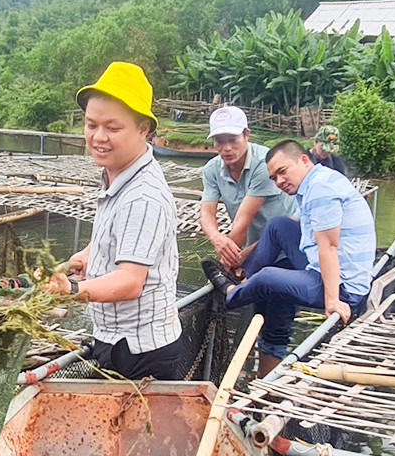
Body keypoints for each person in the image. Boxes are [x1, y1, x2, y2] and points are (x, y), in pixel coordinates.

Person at [44, 61, 185, 381]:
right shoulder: (116, 174)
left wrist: (71, 288)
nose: (98, 137)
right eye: (91, 125)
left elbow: (130, 281)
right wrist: (87, 255)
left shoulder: (143, 195)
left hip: (140, 352)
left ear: (143, 129)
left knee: (134, 432)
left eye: (112, 127)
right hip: (118, 338)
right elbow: (115, 233)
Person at [202, 140, 376, 375]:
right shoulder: (315, 183)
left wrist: (333, 300)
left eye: (282, 172)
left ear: (304, 160)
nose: (279, 182)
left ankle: (232, 294)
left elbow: (329, 247)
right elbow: (289, 227)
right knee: (278, 225)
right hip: (323, 268)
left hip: (343, 286)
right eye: (274, 178)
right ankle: (243, 278)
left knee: (268, 277)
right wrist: (240, 257)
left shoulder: (321, 189)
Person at [197, 104, 294, 273]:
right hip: (254, 244)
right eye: (220, 141)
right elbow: (206, 213)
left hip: (286, 243)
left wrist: (227, 264)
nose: (227, 148)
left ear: (246, 135)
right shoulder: (212, 169)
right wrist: (216, 237)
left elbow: (242, 221)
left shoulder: (265, 163)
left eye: (233, 140)